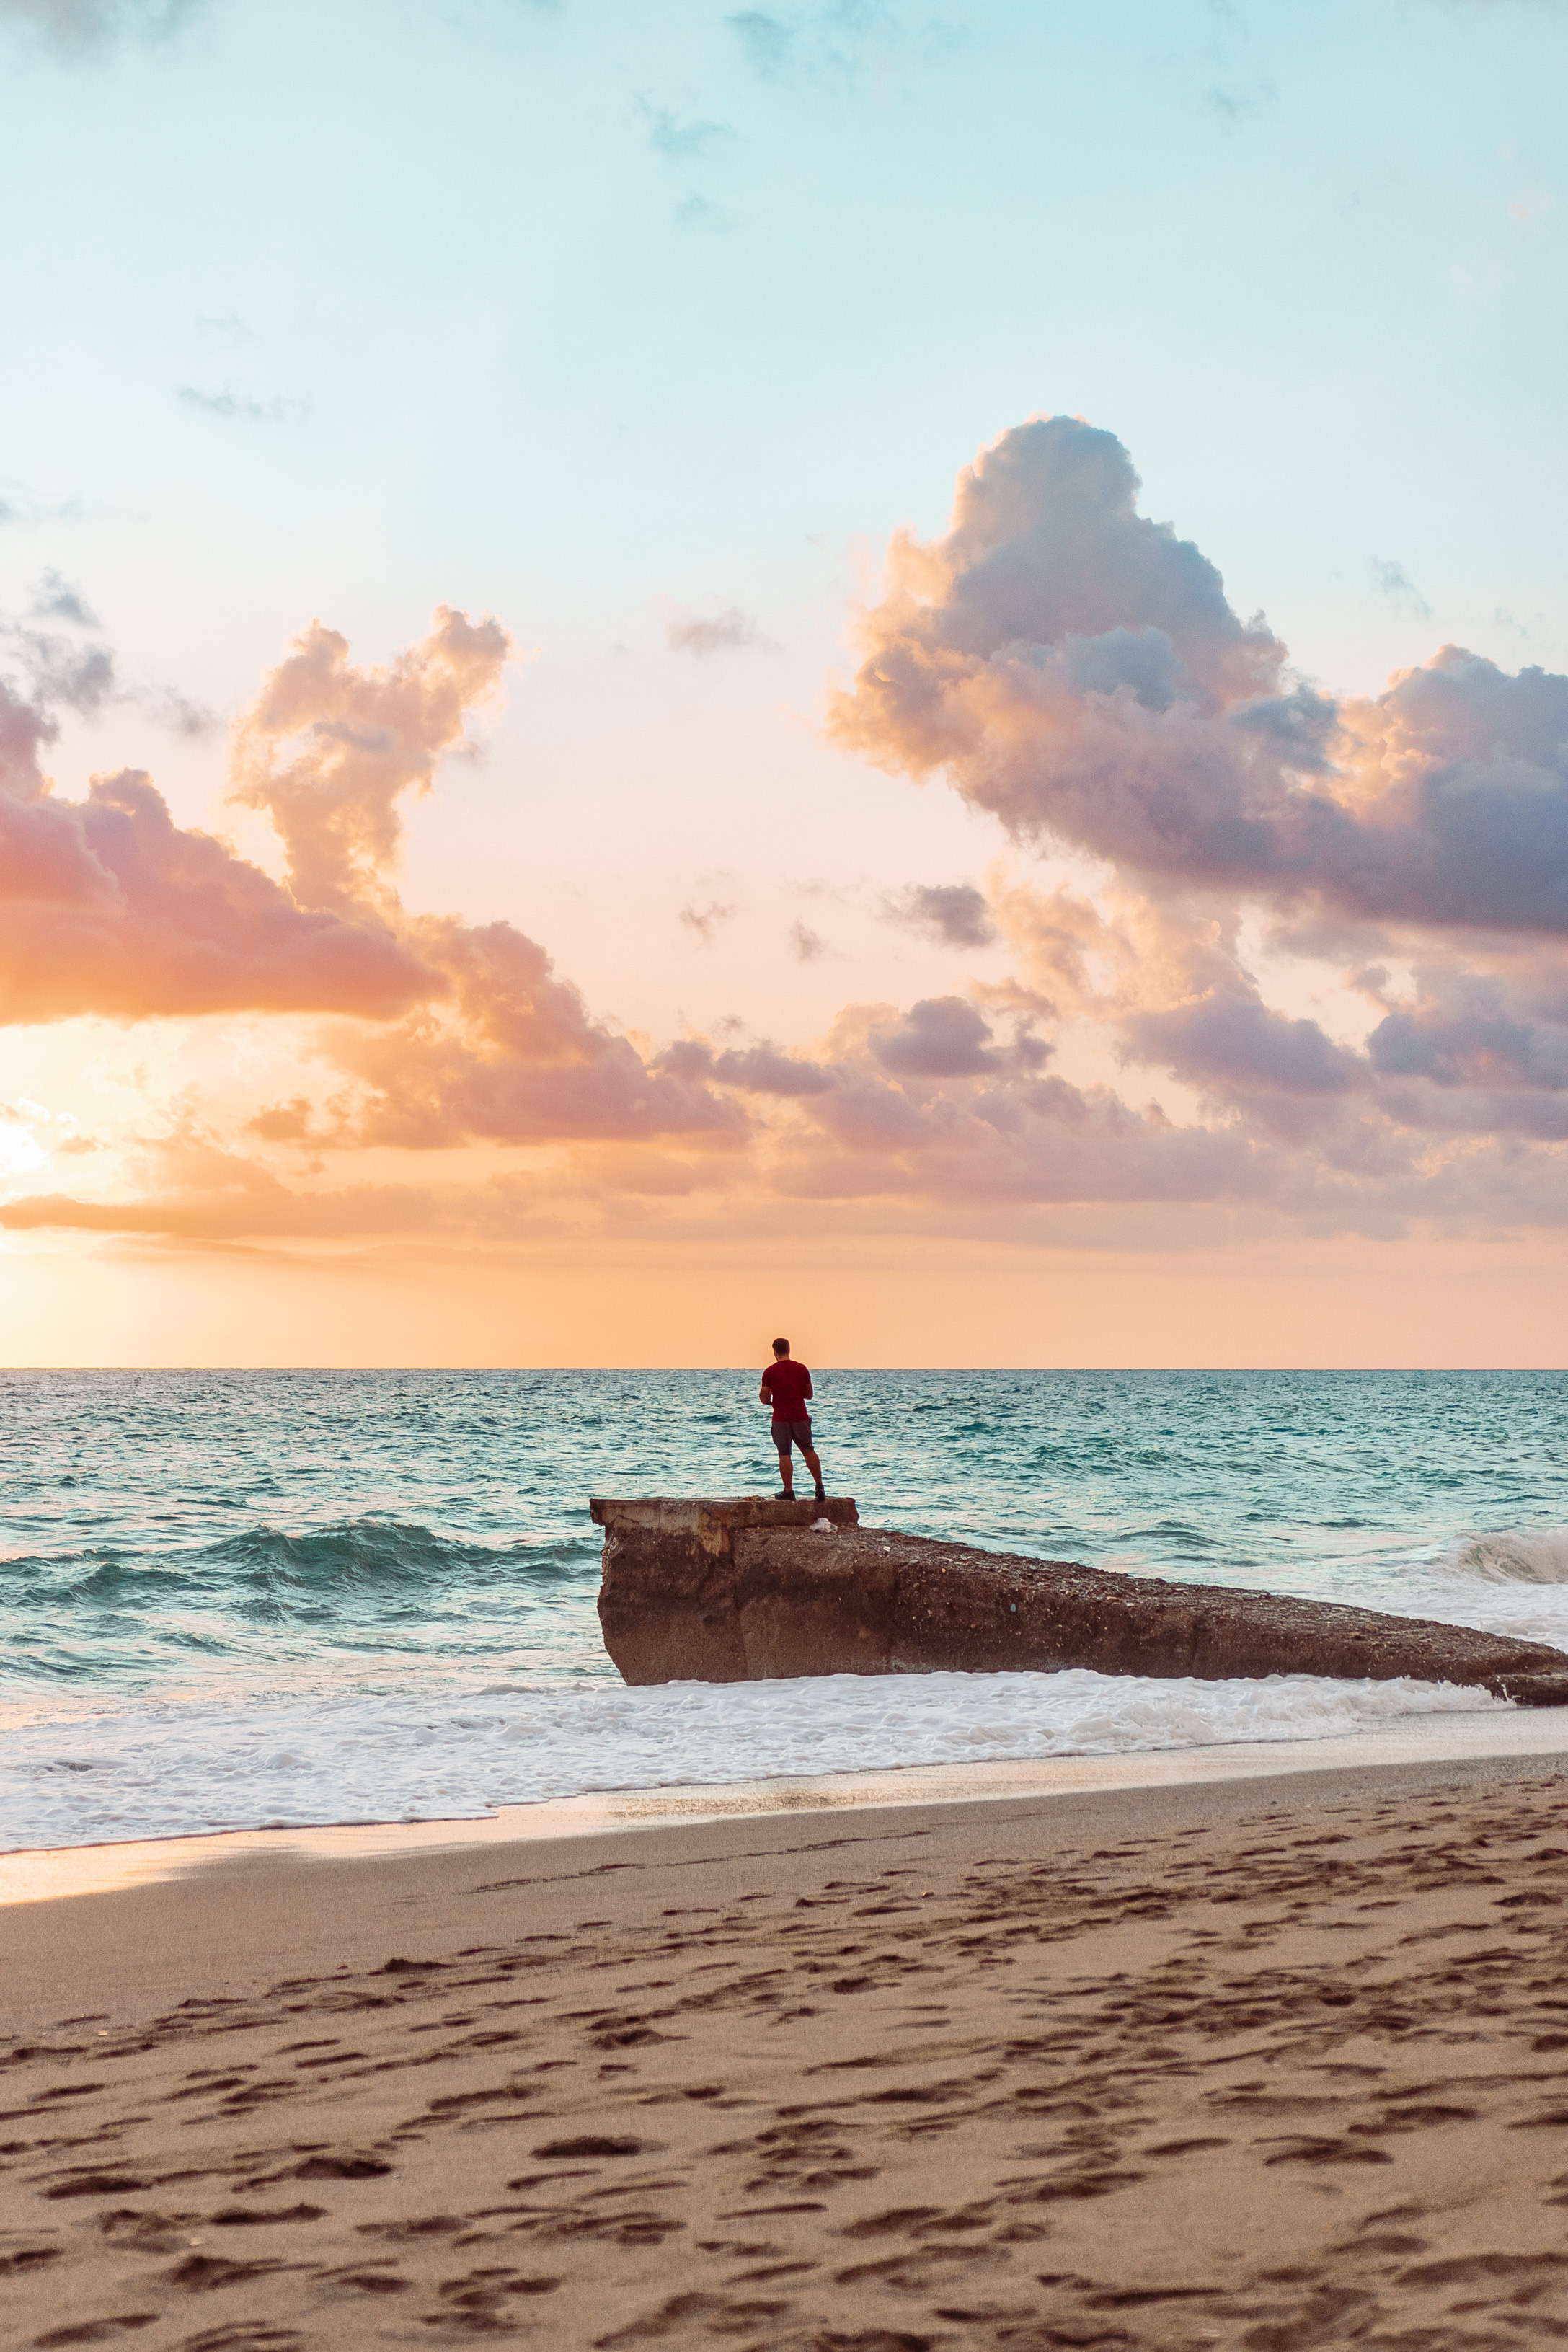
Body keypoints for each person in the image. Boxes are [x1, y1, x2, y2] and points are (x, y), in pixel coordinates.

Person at [759, 1336, 826, 1504]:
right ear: (789, 1350)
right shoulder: (802, 1369)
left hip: (781, 1419)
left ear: (775, 1352)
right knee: (808, 1451)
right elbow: (809, 1395)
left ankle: (789, 1491)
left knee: (784, 1454)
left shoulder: (770, 1372)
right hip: (800, 1416)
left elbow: (764, 1398)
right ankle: (819, 1486)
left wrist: (771, 1397)